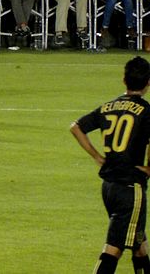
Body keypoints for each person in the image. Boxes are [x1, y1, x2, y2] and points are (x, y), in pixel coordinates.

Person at [70, 56, 150, 274]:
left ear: (124, 80)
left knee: (139, 242)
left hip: (109, 187)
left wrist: (97, 157)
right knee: (114, 248)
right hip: (130, 187)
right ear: (148, 83)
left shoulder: (108, 106)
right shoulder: (146, 112)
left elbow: (76, 127)